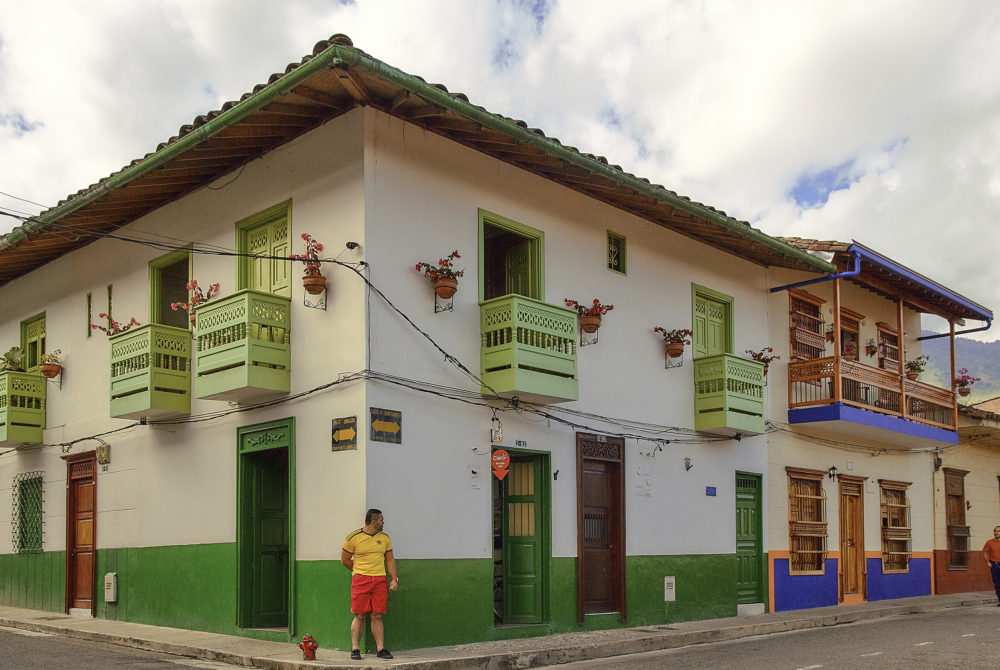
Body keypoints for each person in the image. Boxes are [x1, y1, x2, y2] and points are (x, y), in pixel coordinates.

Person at [342, 508, 398, 660]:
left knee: (377, 615)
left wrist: (394, 579)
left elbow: (390, 559)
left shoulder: (385, 538)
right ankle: (355, 649)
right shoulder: (353, 537)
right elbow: (345, 560)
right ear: (373, 521)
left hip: (379, 580)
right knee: (359, 615)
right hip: (360, 580)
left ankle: (380, 649)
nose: (383, 522)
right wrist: (360, 571)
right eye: (381, 520)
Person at [983, 525, 1000, 606]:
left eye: (998, 531)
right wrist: (987, 562)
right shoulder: (989, 542)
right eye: (995, 531)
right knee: (997, 584)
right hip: (995, 565)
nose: (996, 532)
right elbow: (985, 552)